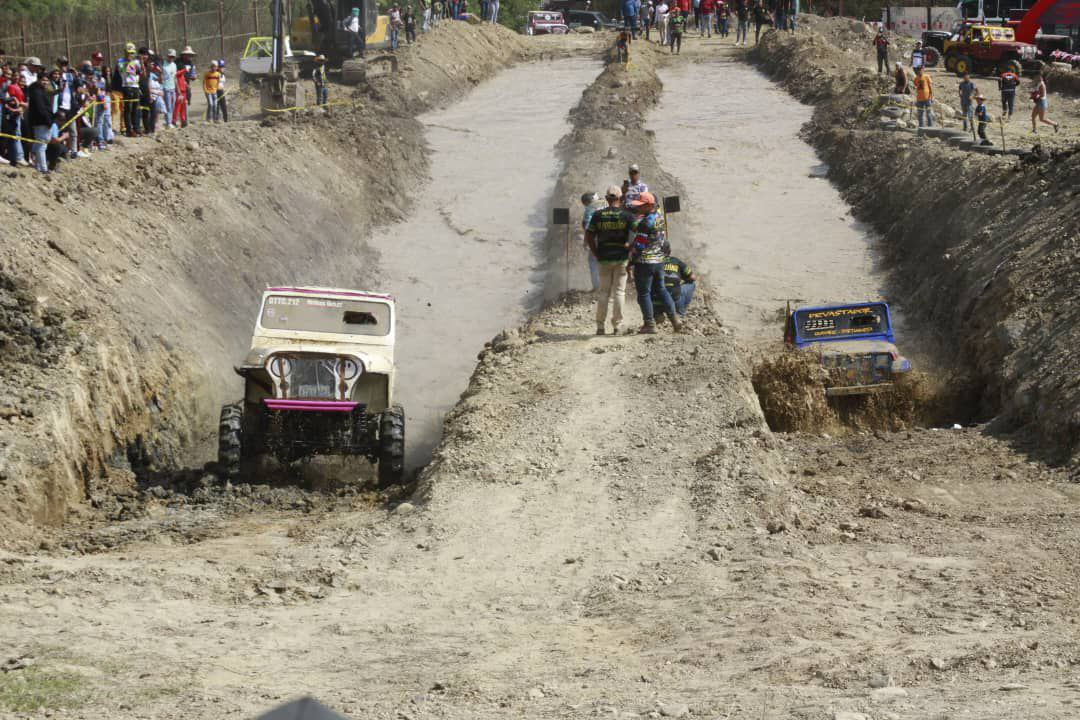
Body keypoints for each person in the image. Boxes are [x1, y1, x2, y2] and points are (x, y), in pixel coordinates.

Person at [628, 192, 680, 334]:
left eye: (641, 206)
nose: (638, 208)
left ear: (649, 205)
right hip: (659, 261)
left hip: (645, 262)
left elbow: (639, 245)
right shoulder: (659, 217)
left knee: (644, 293)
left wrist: (631, 262)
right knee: (661, 290)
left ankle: (649, 324)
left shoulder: (645, 223)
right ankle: (675, 319)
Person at [585, 186, 634, 335]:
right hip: (621, 259)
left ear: (606, 199)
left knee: (603, 292)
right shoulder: (627, 216)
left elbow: (589, 236)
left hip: (604, 258)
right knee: (619, 292)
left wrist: (596, 253)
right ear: (621, 198)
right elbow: (636, 235)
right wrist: (629, 249)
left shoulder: (598, 215)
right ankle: (617, 326)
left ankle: (600, 327)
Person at [651, 241, 697, 322]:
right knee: (691, 284)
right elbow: (692, 277)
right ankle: (680, 313)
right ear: (669, 251)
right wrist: (683, 278)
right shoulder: (675, 261)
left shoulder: (651, 263)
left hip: (655, 302)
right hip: (673, 299)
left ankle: (657, 314)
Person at [26, 58, 52, 173]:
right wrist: (48, 121)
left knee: (40, 143)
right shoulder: (36, 91)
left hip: (41, 121)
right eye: (43, 80)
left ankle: (37, 165)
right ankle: (43, 168)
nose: (45, 82)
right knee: (42, 145)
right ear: (39, 80)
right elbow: (41, 109)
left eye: (47, 81)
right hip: (40, 121)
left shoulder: (41, 90)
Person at [581, 192, 603, 291]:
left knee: (593, 261)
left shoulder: (589, 209)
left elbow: (588, 228)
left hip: (597, 238)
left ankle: (597, 286)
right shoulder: (607, 203)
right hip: (613, 237)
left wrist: (586, 242)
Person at [118, 43, 142, 137]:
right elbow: (128, 71)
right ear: (125, 52)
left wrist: (139, 63)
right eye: (129, 53)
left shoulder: (136, 62)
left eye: (132, 53)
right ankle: (129, 129)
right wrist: (132, 63)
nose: (130, 55)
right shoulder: (120, 61)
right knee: (128, 109)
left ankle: (136, 128)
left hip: (135, 86)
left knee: (135, 109)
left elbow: (139, 72)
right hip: (126, 86)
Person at [161, 50, 177, 129]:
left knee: (173, 105)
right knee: (168, 106)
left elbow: (175, 77)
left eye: (173, 57)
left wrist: (177, 89)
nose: (171, 58)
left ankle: (169, 121)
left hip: (172, 87)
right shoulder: (163, 64)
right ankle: (168, 123)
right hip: (165, 87)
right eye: (170, 56)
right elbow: (160, 75)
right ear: (167, 56)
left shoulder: (174, 65)